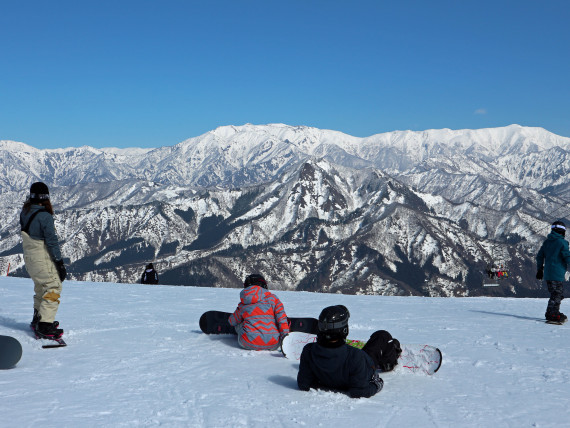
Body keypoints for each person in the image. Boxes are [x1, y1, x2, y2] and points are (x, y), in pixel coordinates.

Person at [297, 305, 384, 398]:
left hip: (344, 360)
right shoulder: (355, 356)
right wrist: (377, 384)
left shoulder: (309, 351)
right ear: (345, 330)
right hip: (366, 365)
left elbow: (303, 384)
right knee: (382, 336)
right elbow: (359, 392)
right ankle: (393, 351)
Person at [20, 182, 67, 339]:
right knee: (53, 287)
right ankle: (45, 324)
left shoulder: (25, 212)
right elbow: (51, 242)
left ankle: (38, 319)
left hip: (29, 258)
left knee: (41, 287)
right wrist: (59, 263)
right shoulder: (45, 216)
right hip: (41, 257)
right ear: (46, 197)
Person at [228, 274, 290, 350]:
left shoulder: (244, 303)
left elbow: (232, 322)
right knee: (276, 321)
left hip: (247, 343)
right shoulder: (273, 299)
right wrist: (285, 337)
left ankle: (250, 331)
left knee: (239, 324)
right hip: (274, 343)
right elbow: (282, 319)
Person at [536, 220, 570, 323]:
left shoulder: (547, 242)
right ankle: (552, 314)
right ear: (562, 232)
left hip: (547, 273)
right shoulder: (562, 242)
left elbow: (539, 256)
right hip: (557, 273)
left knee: (556, 293)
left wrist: (540, 269)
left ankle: (553, 311)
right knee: (557, 294)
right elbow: (567, 257)